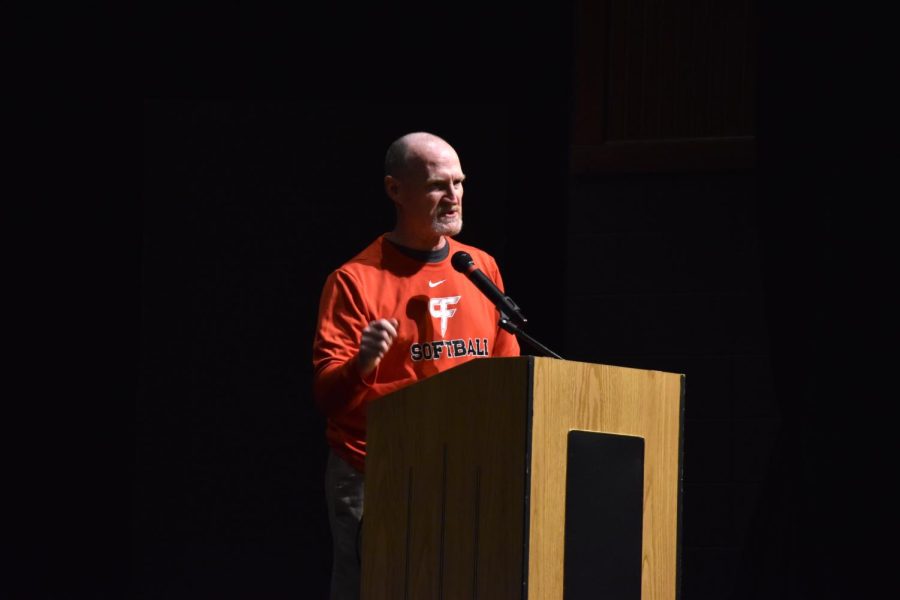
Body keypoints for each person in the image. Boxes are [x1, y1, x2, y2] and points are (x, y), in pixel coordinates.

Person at [312, 131, 520, 599]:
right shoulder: (355, 280)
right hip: (377, 473)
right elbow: (327, 396)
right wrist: (362, 362)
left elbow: (507, 374)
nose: (453, 197)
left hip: (466, 470)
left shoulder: (479, 268)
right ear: (395, 190)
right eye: (436, 186)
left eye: (459, 182)